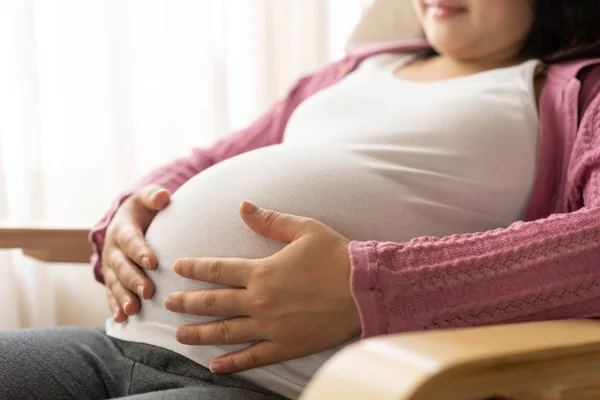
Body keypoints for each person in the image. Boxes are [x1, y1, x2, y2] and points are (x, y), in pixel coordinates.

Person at [3, 0, 600, 399]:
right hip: (114, 340)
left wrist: (369, 288)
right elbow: (207, 161)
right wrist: (132, 209)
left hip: (272, 386)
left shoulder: (577, 89)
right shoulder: (349, 73)